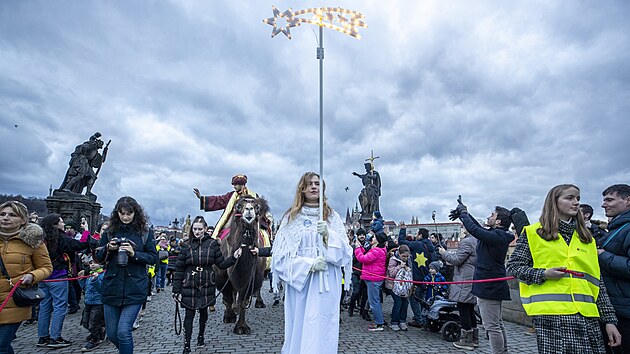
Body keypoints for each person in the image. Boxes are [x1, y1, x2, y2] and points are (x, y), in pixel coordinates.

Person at [507, 184, 622, 353]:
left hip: (587, 317)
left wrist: (610, 320)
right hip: (551, 316)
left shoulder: (587, 239)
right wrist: (543, 274)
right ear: (554, 202)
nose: (576, 202)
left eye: (578, 199)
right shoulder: (533, 233)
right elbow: (514, 267)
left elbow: (598, 283)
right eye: (569, 198)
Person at [271, 172, 353, 353]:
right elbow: (280, 258)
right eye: (310, 184)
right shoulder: (290, 218)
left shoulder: (332, 217)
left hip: (327, 281)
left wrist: (328, 236)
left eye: (317, 183)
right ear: (302, 188)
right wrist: (308, 264)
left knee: (324, 325)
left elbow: (346, 254)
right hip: (301, 284)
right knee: (301, 324)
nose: (314, 187)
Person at [94, 196, 158, 354]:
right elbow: (98, 256)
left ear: (135, 213)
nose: (125, 217)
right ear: (117, 213)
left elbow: (153, 258)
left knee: (123, 332)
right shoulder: (110, 232)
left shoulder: (145, 232)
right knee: (113, 334)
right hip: (112, 287)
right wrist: (108, 248)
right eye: (122, 213)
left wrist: (134, 254)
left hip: (135, 287)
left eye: (129, 213)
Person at [449, 202, 513, 354]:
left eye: (492, 215)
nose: (488, 217)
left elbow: (475, 230)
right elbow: (477, 227)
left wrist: (464, 214)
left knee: (492, 327)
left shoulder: (497, 236)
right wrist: (464, 214)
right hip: (491, 284)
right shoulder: (497, 234)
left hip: (489, 285)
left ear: (498, 221)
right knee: (497, 323)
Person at [172, 216, 242, 354]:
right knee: (189, 314)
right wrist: (176, 290)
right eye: (195, 229)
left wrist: (233, 257)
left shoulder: (212, 244)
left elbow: (221, 264)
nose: (197, 231)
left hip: (206, 282)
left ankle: (201, 335)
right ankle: (186, 345)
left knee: (203, 312)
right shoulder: (186, 245)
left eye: (200, 229)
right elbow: (179, 269)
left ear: (205, 229)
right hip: (190, 282)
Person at [0, 201, 52, 354]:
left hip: (14, 301)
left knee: (1, 346)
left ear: (23, 220)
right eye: (2, 214)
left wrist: (32, 275)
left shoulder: (33, 241)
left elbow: (46, 267)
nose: (5, 218)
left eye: (12, 215)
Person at [37, 213, 91, 349]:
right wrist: (86, 231)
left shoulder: (41, 239)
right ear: (55, 224)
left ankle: (42, 337)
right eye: (61, 221)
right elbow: (81, 244)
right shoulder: (62, 238)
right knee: (60, 306)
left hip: (42, 276)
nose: (63, 224)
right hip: (57, 276)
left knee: (44, 306)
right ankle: (55, 338)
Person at [598, 184, 630, 353]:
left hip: (625, 312)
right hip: (615, 308)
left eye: (610, 200)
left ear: (628, 200)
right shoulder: (617, 228)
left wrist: (602, 255)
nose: (604, 205)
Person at [440, 230, 478, 350]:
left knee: (463, 309)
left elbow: (456, 260)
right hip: (471, 278)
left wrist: (444, 253)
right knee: (470, 309)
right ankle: (474, 339)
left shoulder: (467, 241)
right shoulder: (478, 240)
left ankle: (467, 341)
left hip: (464, 280)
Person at [397, 224, 435, 328]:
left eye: (417, 234)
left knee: (414, 298)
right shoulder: (431, 246)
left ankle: (419, 319)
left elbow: (402, 242)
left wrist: (403, 230)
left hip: (418, 277)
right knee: (423, 299)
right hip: (427, 277)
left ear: (420, 235)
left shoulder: (418, 244)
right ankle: (424, 317)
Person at [354, 231, 388, 332]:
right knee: (374, 300)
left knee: (374, 301)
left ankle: (379, 323)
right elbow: (366, 253)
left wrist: (356, 249)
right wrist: (360, 248)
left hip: (373, 277)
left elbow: (363, 258)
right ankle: (379, 321)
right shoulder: (379, 249)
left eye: (373, 238)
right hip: (374, 277)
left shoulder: (377, 251)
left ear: (377, 240)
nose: (372, 239)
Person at [78, 259, 105, 352]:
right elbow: (85, 288)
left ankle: (95, 339)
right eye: (91, 263)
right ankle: (99, 332)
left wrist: (96, 280)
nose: (92, 265)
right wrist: (81, 280)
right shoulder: (90, 275)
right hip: (88, 302)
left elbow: (102, 289)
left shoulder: (102, 275)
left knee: (93, 323)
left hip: (98, 303)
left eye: (95, 263)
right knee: (85, 322)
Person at [385, 244, 411, 331]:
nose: (405, 258)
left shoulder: (409, 260)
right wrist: (400, 266)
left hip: (404, 285)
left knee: (405, 303)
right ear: (399, 254)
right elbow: (391, 274)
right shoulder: (393, 260)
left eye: (407, 256)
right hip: (393, 285)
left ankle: (402, 321)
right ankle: (394, 322)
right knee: (398, 302)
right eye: (403, 256)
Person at [348, 228, 369, 319]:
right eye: (360, 234)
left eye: (363, 234)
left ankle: (362, 311)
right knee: (356, 292)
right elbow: (351, 260)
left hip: (364, 272)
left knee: (364, 293)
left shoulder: (368, 246)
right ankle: (351, 307)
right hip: (355, 271)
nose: (362, 236)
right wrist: (359, 252)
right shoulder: (353, 247)